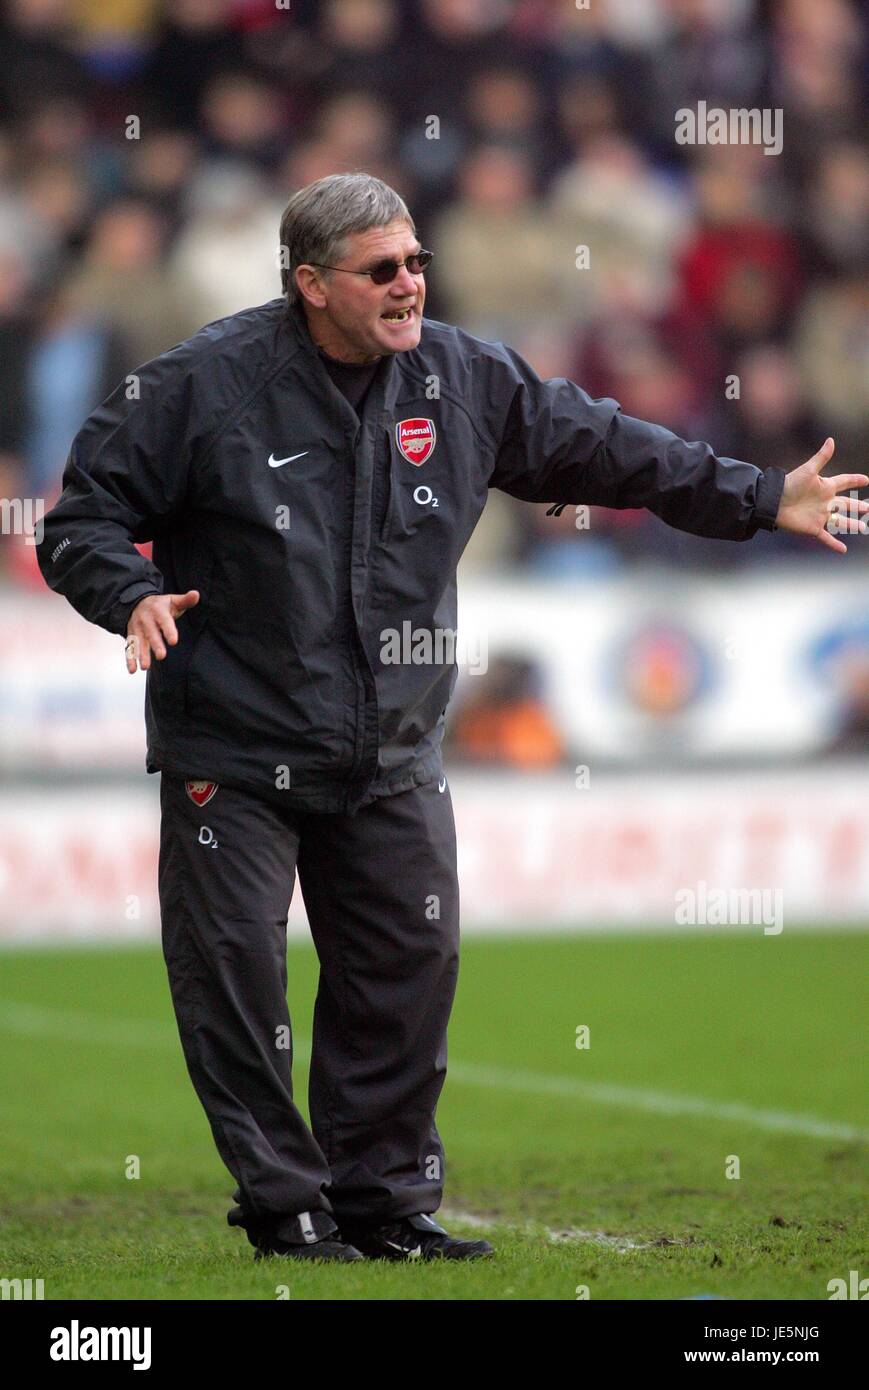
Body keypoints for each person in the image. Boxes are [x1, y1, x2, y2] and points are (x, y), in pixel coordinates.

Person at [35, 172, 867, 1264]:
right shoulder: (200, 385)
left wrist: (758, 497)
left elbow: (608, 447)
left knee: (407, 972)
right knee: (237, 975)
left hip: (390, 745)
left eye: (417, 261)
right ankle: (284, 1204)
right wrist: (128, 590)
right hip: (234, 746)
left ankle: (380, 1203)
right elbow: (80, 516)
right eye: (382, 269)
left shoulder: (465, 378)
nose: (409, 283)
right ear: (310, 285)